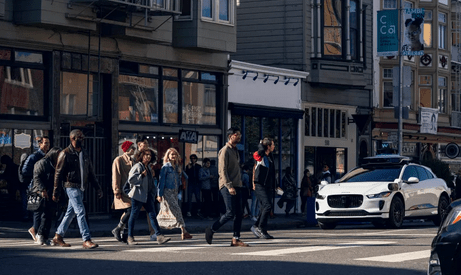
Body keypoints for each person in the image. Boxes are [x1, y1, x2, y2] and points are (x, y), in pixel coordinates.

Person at [52, 129, 103, 249]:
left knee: (70, 213)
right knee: (80, 212)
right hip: (71, 187)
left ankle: (58, 235)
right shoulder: (65, 153)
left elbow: (90, 173)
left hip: (81, 188)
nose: (82, 139)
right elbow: (58, 174)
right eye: (80, 137)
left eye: (83, 137)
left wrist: (98, 188)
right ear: (72, 138)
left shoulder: (84, 153)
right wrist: (56, 192)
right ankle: (86, 239)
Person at [205, 127, 249, 247]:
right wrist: (229, 186)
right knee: (230, 212)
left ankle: (236, 238)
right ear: (230, 136)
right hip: (227, 185)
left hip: (237, 185)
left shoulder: (235, 150)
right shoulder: (224, 151)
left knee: (239, 213)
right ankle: (211, 229)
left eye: (239, 134)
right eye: (237, 135)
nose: (239, 136)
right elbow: (222, 171)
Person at [126, 148, 170, 245]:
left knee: (152, 215)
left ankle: (159, 236)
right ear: (141, 156)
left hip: (147, 195)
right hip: (138, 195)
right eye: (146, 155)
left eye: (150, 155)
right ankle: (130, 237)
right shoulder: (137, 166)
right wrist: (141, 176)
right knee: (134, 215)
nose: (148, 157)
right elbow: (131, 180)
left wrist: (153, 192)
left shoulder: (148, 168)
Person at [157, 148, 193, 240]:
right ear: (168, 156)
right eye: (172, 154)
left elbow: (187, 177)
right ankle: (183, 230)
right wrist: (159, 194)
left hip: (175, 191)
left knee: (173, 211)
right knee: (177, 210)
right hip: (167, 191)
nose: (173, 156)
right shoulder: (165, 167)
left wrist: (182, 170)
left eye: (175, 154)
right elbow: (161, 182)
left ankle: (183, 231)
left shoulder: (177, 167)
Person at [22, 136, 50, 241]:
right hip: (35, 187)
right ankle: (36, 230)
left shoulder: (47, 156)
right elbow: (25, 171)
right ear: (40, 144)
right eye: (45, 143)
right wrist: (34, 177)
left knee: (43, 210)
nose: (47, 145)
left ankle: (37, 230)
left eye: (48, 143)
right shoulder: (34, 157)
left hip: (44, 186)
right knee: (37, 210)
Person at [31, 147, 62, 245]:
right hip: (42, 192)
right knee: (44, 215)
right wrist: (42, 190)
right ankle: (40, 235)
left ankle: (45, 236)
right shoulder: (43, 163)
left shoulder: (54, 164)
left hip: (51, 191)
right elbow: (37, 177)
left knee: (49, 215)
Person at [251, 138, 276, 239]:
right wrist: (261, 144)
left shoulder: (270, 157)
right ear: (268, 146)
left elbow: (272, 173)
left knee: (264, 208)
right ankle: (261, 228)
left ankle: (256, 226)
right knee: (267, 206)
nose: (274, 147)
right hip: (260, 184)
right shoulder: (261, 156)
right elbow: (256, 154)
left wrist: (275, 185)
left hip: (268, 186)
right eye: (272, 145)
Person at [110, 141, 135, 243]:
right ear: (127, 148)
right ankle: (118, 228)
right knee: (130, 210)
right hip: (122, 190)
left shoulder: (134, 161)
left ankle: (125, 234)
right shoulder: (118, 160)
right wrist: (116, 190)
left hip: (132, 191)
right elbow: (116, 175)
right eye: (132, 147)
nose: (134, 149)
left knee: (130, 212)